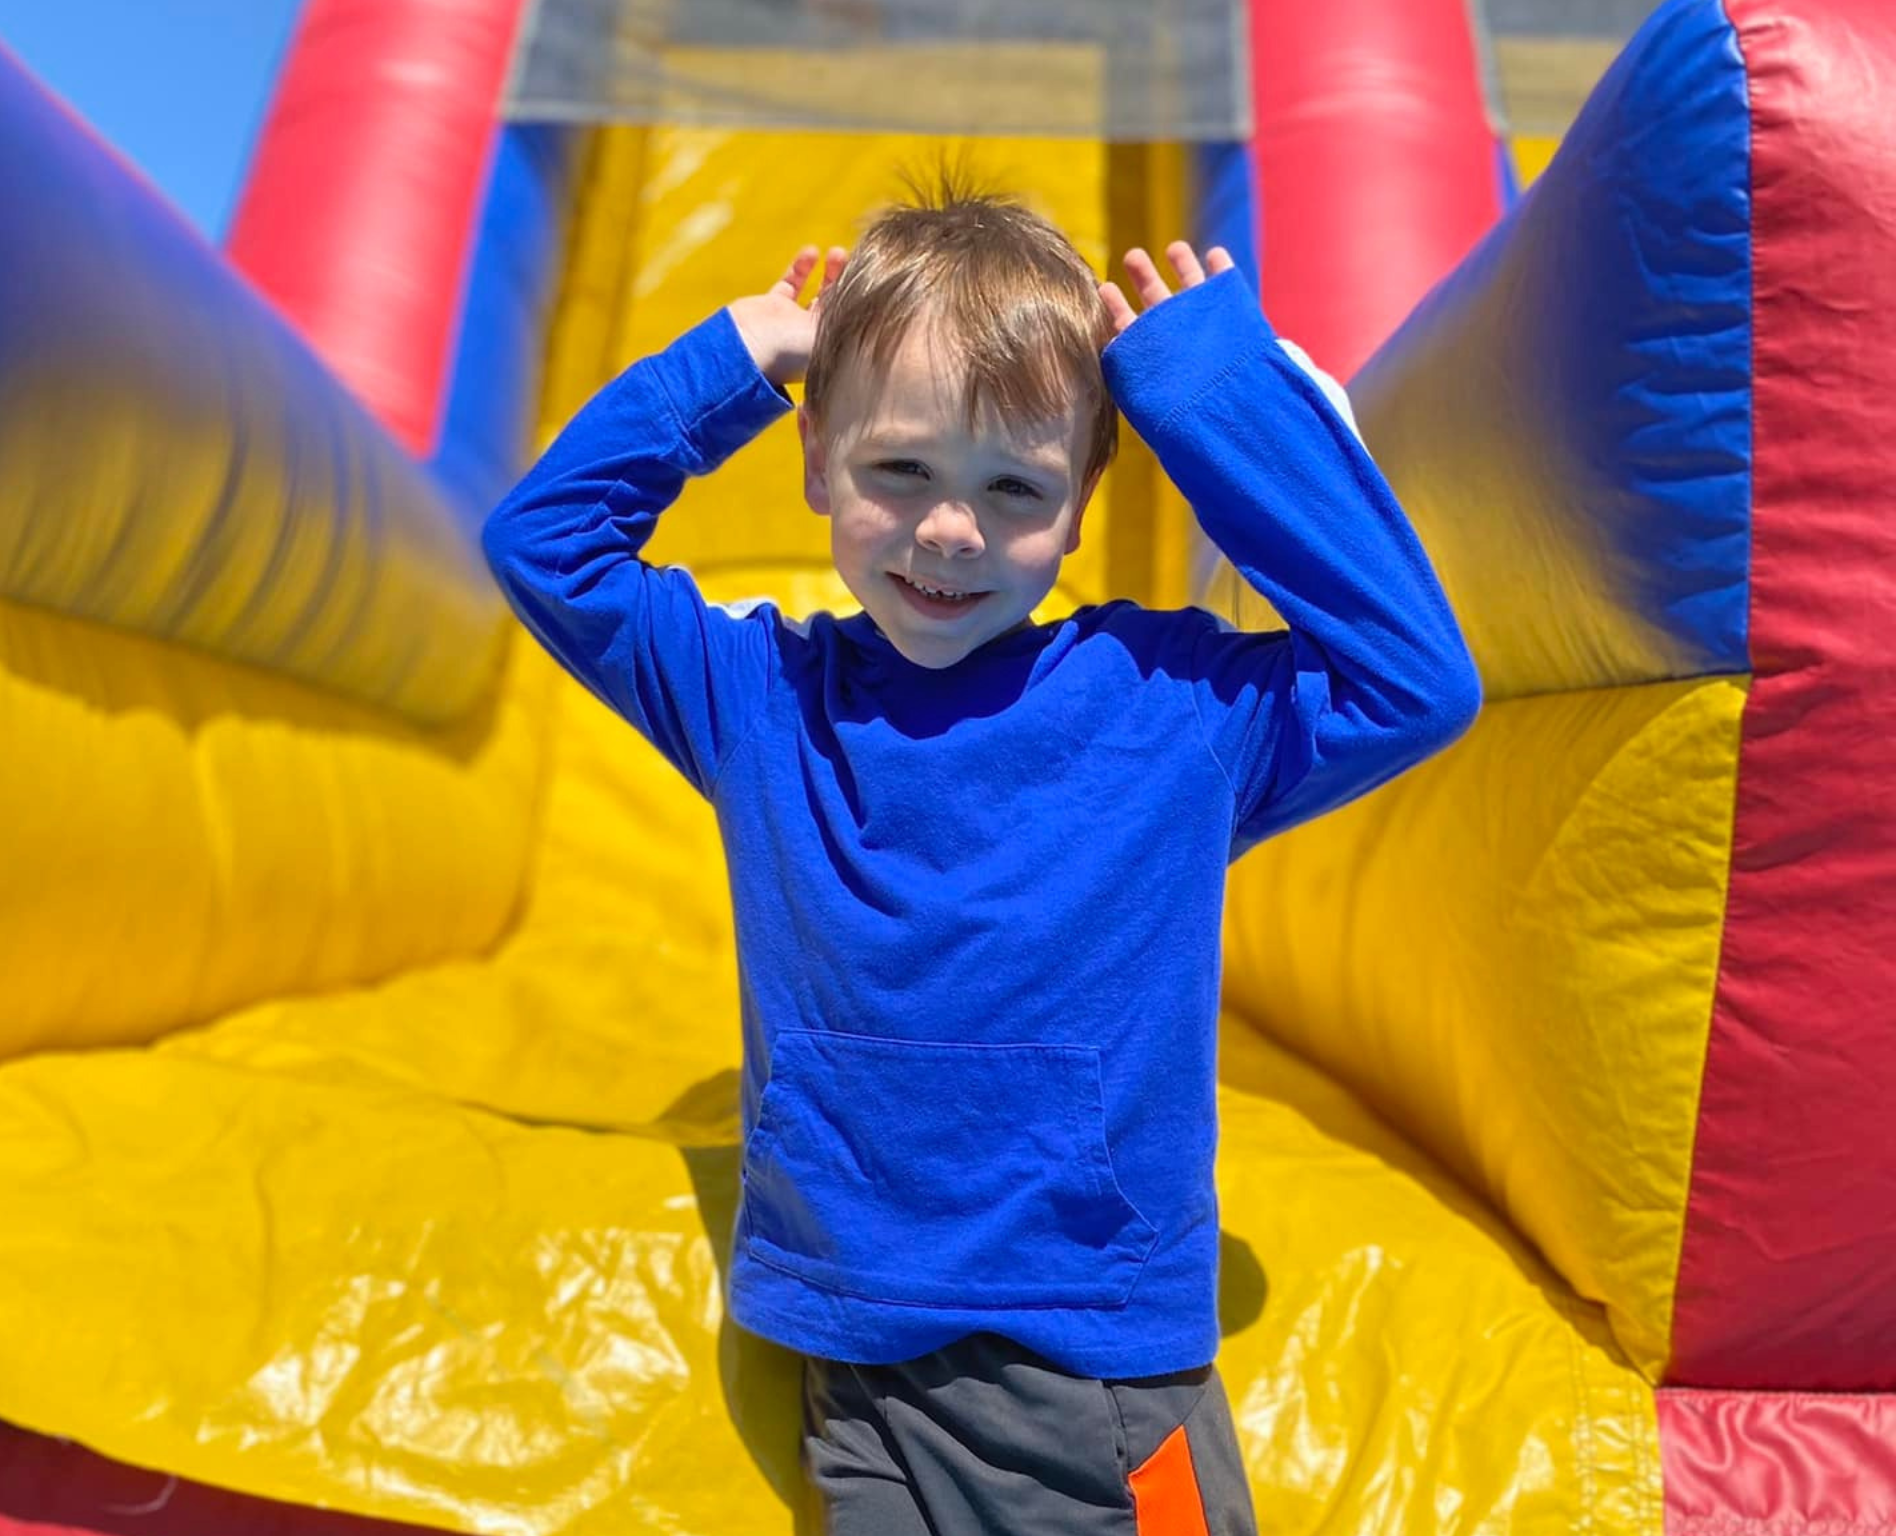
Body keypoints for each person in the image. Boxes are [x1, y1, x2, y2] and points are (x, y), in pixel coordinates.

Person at [481, 183, 1480, 1534]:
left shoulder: (1171, 708)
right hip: (853, 1358)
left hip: (1093, 1372)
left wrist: (1202, 391)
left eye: (1015, 488)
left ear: (1077, 513)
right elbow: (543, 548)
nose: (952, 530)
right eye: (902, 471)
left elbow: (1419, 679)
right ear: (818, 458)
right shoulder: (760, 699)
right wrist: (736, 356)